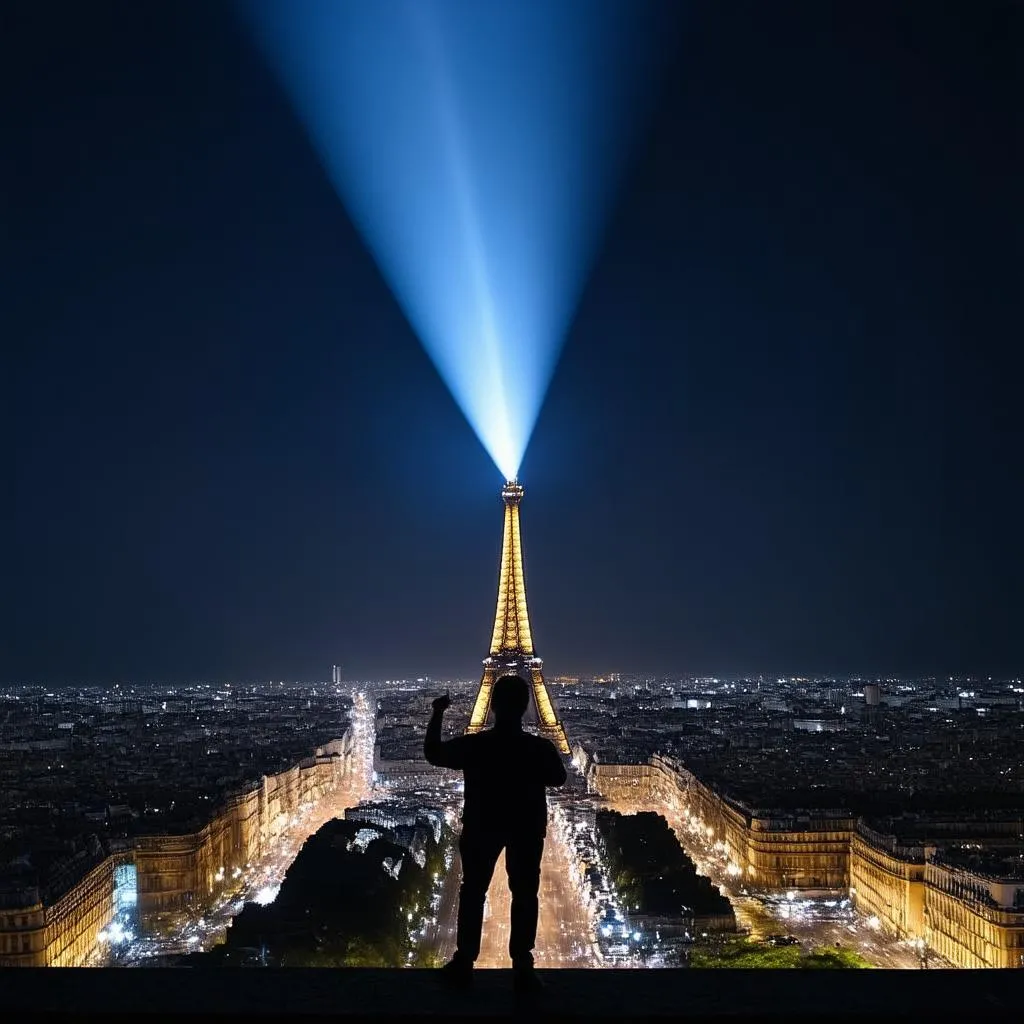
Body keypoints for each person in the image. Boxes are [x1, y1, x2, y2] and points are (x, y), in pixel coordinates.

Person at [424, 674, 567, 992]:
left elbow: (433, 752)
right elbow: (559, 778)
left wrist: (438, 712)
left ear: (491, 706)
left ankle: (464, 962)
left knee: (473, 892)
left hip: (482, 825)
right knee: (525, 895)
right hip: (525, 827)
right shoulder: (538, 747)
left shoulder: (476, 746)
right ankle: (523, 966)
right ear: (527, 706)